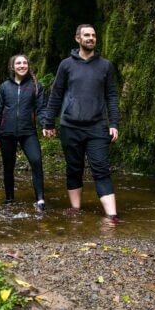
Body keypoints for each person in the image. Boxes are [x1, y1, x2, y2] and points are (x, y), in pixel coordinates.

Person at [42, 24, 120, 221]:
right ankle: (76, 209)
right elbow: (56, 94)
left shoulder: (105, 66)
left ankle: (112, 216)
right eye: (86, 35)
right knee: (73, 167)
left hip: (97, 126)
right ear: (77, 38)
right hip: (70, 126)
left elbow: (111, 96)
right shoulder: (66, 65)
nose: (90, 38)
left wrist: (114, 123)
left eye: (93, 35)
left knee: (101, 167)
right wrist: (48, 122)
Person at [0, 54, 47, 210]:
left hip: (28, 132)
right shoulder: (4, 87)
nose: (22, 65)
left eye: (25, 63)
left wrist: (44, 125)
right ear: (12, 67)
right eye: (19, 63)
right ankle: (9, 199)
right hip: (6, 133)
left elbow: (42, 109)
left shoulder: (36, 86)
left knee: (36, 161)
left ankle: (40, 200)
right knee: (9, 166)